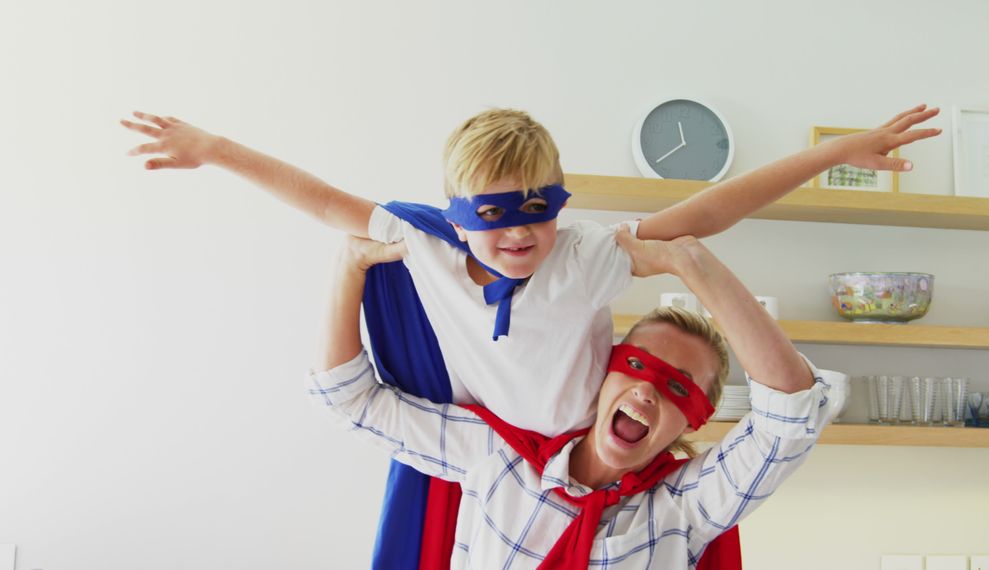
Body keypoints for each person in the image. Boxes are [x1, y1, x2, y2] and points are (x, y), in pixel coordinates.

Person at [120, 105, 937, 567]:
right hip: (507, 451)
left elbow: (710, 214)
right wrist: (215, 150)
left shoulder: (586, 262)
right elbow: (333, 213)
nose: (520, 234)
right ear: (456, 218)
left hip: (560, 456)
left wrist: (832, 156)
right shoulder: (436, 270)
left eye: (538, 210)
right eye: (494, 215)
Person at [308, 227, 840, 569]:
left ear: (692, 423)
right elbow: (351, 400)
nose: (646, 390)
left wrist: (693, 266)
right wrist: (349, 267)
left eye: (679, 387)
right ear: (601, 375)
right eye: (636, 366)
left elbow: (789, 415)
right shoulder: (499, 457)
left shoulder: (685, 508)